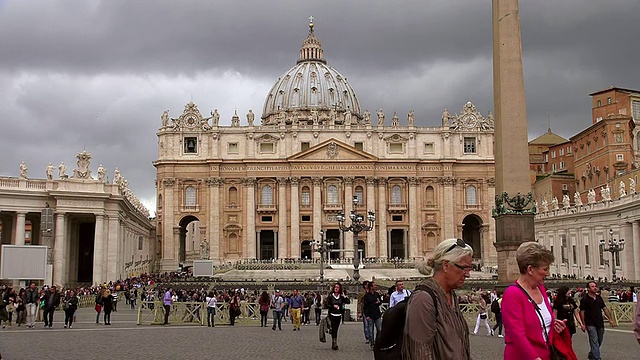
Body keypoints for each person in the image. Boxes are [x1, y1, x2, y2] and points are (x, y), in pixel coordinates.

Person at [403, 238, 472, 359]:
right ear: (446, 265)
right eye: (464, 268)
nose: (468, 274)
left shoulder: (451, 296)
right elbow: (420, 354)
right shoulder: (423, 299)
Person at [502, 242, 568, 360]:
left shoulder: (541, 289)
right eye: (545, 269)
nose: (548, 273)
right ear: (530, 269)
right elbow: (516, 334)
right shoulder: (512, 294)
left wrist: (555, 327)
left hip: (546, 354)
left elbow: (542, 326)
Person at [580, 281, 616, 360]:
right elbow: (582, 312)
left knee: (599, 340)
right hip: (590, 323)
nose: (595, 287)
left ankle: (592, 353)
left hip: (599, 322)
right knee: (594, 341)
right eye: (592, 286)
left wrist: (610, 319)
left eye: (595, 286)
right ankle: (597, 358)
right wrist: (583, 323)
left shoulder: (599, 298)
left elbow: (605, 309)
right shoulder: (584, 299)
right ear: (588, 289)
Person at [326, 282, 350, 350]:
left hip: (338, 315)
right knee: (334, 329)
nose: (336, 288)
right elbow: (327, 304)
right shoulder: (331, 296)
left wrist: (344, 296)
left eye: (338, 287)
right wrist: (333, 306)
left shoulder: (341, 296)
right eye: (335, 287)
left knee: (336, 329)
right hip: (332, 314)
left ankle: (334, 341)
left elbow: (348, 302)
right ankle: (334, 343)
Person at [363, 282, 382, 350]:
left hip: (377, 314)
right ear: (371, 287)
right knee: (370, 331)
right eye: (374, 285)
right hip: (370, 315)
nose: (376, 286)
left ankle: (378, 342)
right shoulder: (367, 296)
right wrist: (367, 315)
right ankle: (372, 343)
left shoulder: (377, 294)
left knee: (379, 329)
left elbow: (380, 302)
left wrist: (378, 302)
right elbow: (365, 306)